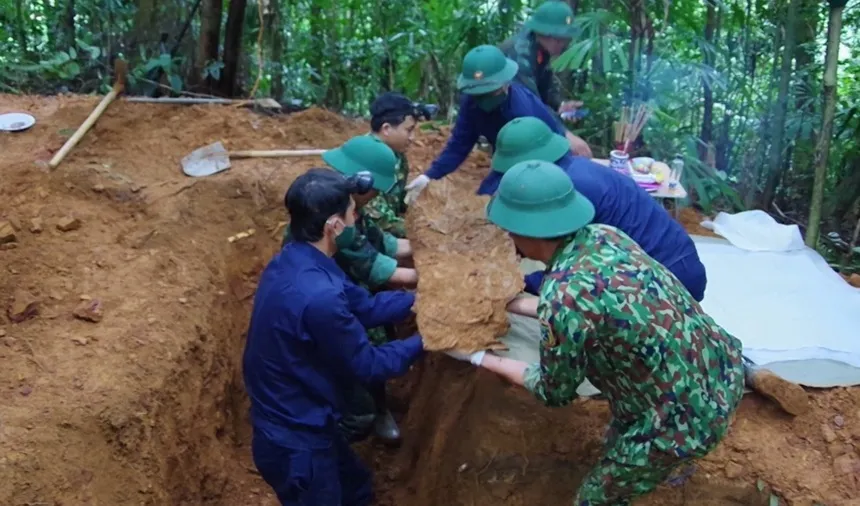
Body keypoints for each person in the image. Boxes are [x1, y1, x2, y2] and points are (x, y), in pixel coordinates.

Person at [446, 160, 809, 505]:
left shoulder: (563, 296)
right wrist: (511, 302)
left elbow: (554, 390)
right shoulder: (604, 236)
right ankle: (634, 451)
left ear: (524, 232)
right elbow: (590, 306)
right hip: (720, 368)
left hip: (687, 419)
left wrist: (480, 357)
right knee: (621, 434)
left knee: (593, 499)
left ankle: (650, 463)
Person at [244, 169, 424, 506]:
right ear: (334, 226)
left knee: (357, 488)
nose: (356, 217)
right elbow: (369, 365)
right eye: (351, 211)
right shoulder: (318, 295)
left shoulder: (297, 260)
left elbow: (366, 307)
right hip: (295, 440)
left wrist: (422, 300)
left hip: (307, 420)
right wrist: (427, 338)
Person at [482, 116, 708, 302]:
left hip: (670, 278)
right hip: (677, 260)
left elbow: (572, 272)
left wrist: (519, 283)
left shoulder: (569, 191)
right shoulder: (572, 170)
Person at [282, 135, 417, 442]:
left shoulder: (338, 203)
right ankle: (361, 415)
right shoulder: (333, 219)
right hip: (329, 302)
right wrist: (433, 279)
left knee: (376, 325)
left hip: (344, 291)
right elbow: (376, 265)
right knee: (363, 353)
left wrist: (426, 249)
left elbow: (383, 242)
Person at [404, 44, 590, 205]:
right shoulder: (471, 103)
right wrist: (428, 176)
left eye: (488, 92)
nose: (482, 99)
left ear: (505, 83)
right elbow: (458, 146)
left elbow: (532, 163)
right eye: (478, 93)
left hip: (544, 158)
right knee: (483, 201)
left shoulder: (521, 111)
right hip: (508, 158)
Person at [499, 0, 582, 119]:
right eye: (559, 39)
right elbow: (530, 104)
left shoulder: (542, 49)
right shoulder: (520, 54)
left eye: (566, 39)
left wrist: (560, 105)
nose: (563, 44)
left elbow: (545, 88)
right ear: (541, 33)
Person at [366, 92, 420, 239]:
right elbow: (378, 219)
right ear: (386, 129)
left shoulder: (397, 155)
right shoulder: (366, 158)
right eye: (408, 130)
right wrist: (420, 233)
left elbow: (399, 203)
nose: (412, 138)